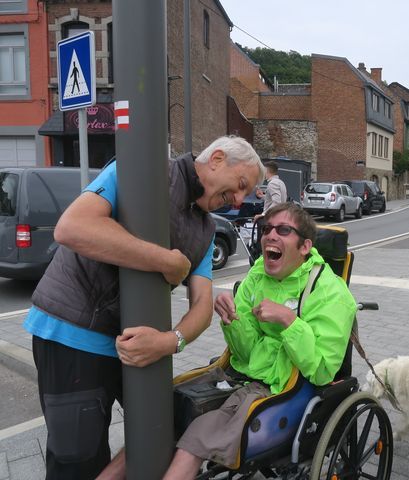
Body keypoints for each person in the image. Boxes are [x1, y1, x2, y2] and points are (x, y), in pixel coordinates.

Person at [24, 135, 264, 479]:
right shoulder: (141, 173)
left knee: (163, 431)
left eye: (247, 193)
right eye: (241, 185)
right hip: (70, 335)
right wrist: (164, 260)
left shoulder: (206, 228)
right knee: (76, 459)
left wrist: (170, 341)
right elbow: (72, 227)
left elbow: (201, 304)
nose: (240, 200)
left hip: (136, 345)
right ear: (217, 159)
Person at [163, 202, 357, 479]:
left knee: (195, 437)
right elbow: (246, 353)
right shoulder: (258, 273)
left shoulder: (331, 293)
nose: (270, 235)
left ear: (304, 247)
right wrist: (233, 320)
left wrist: (289, 322)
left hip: (290, 391)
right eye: (266, 228)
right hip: (245, 375)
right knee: (169, 404)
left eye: (283, 229)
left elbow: (322, 372)